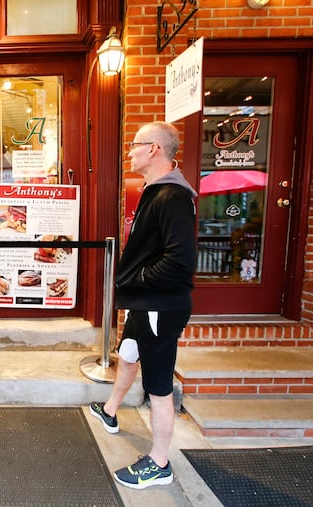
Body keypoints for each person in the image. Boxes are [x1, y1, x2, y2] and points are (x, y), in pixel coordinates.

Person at [89, 121, 197, 489]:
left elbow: (179, 263)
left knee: (159, 387)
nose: (130, 151)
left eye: (135, 145)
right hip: (146, 302)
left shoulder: (174, 197)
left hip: (160, 306)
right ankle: (110, 411)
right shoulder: (156, 191)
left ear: (154, 149)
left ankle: (159, 463)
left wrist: (132, 280)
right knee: (129, 353)